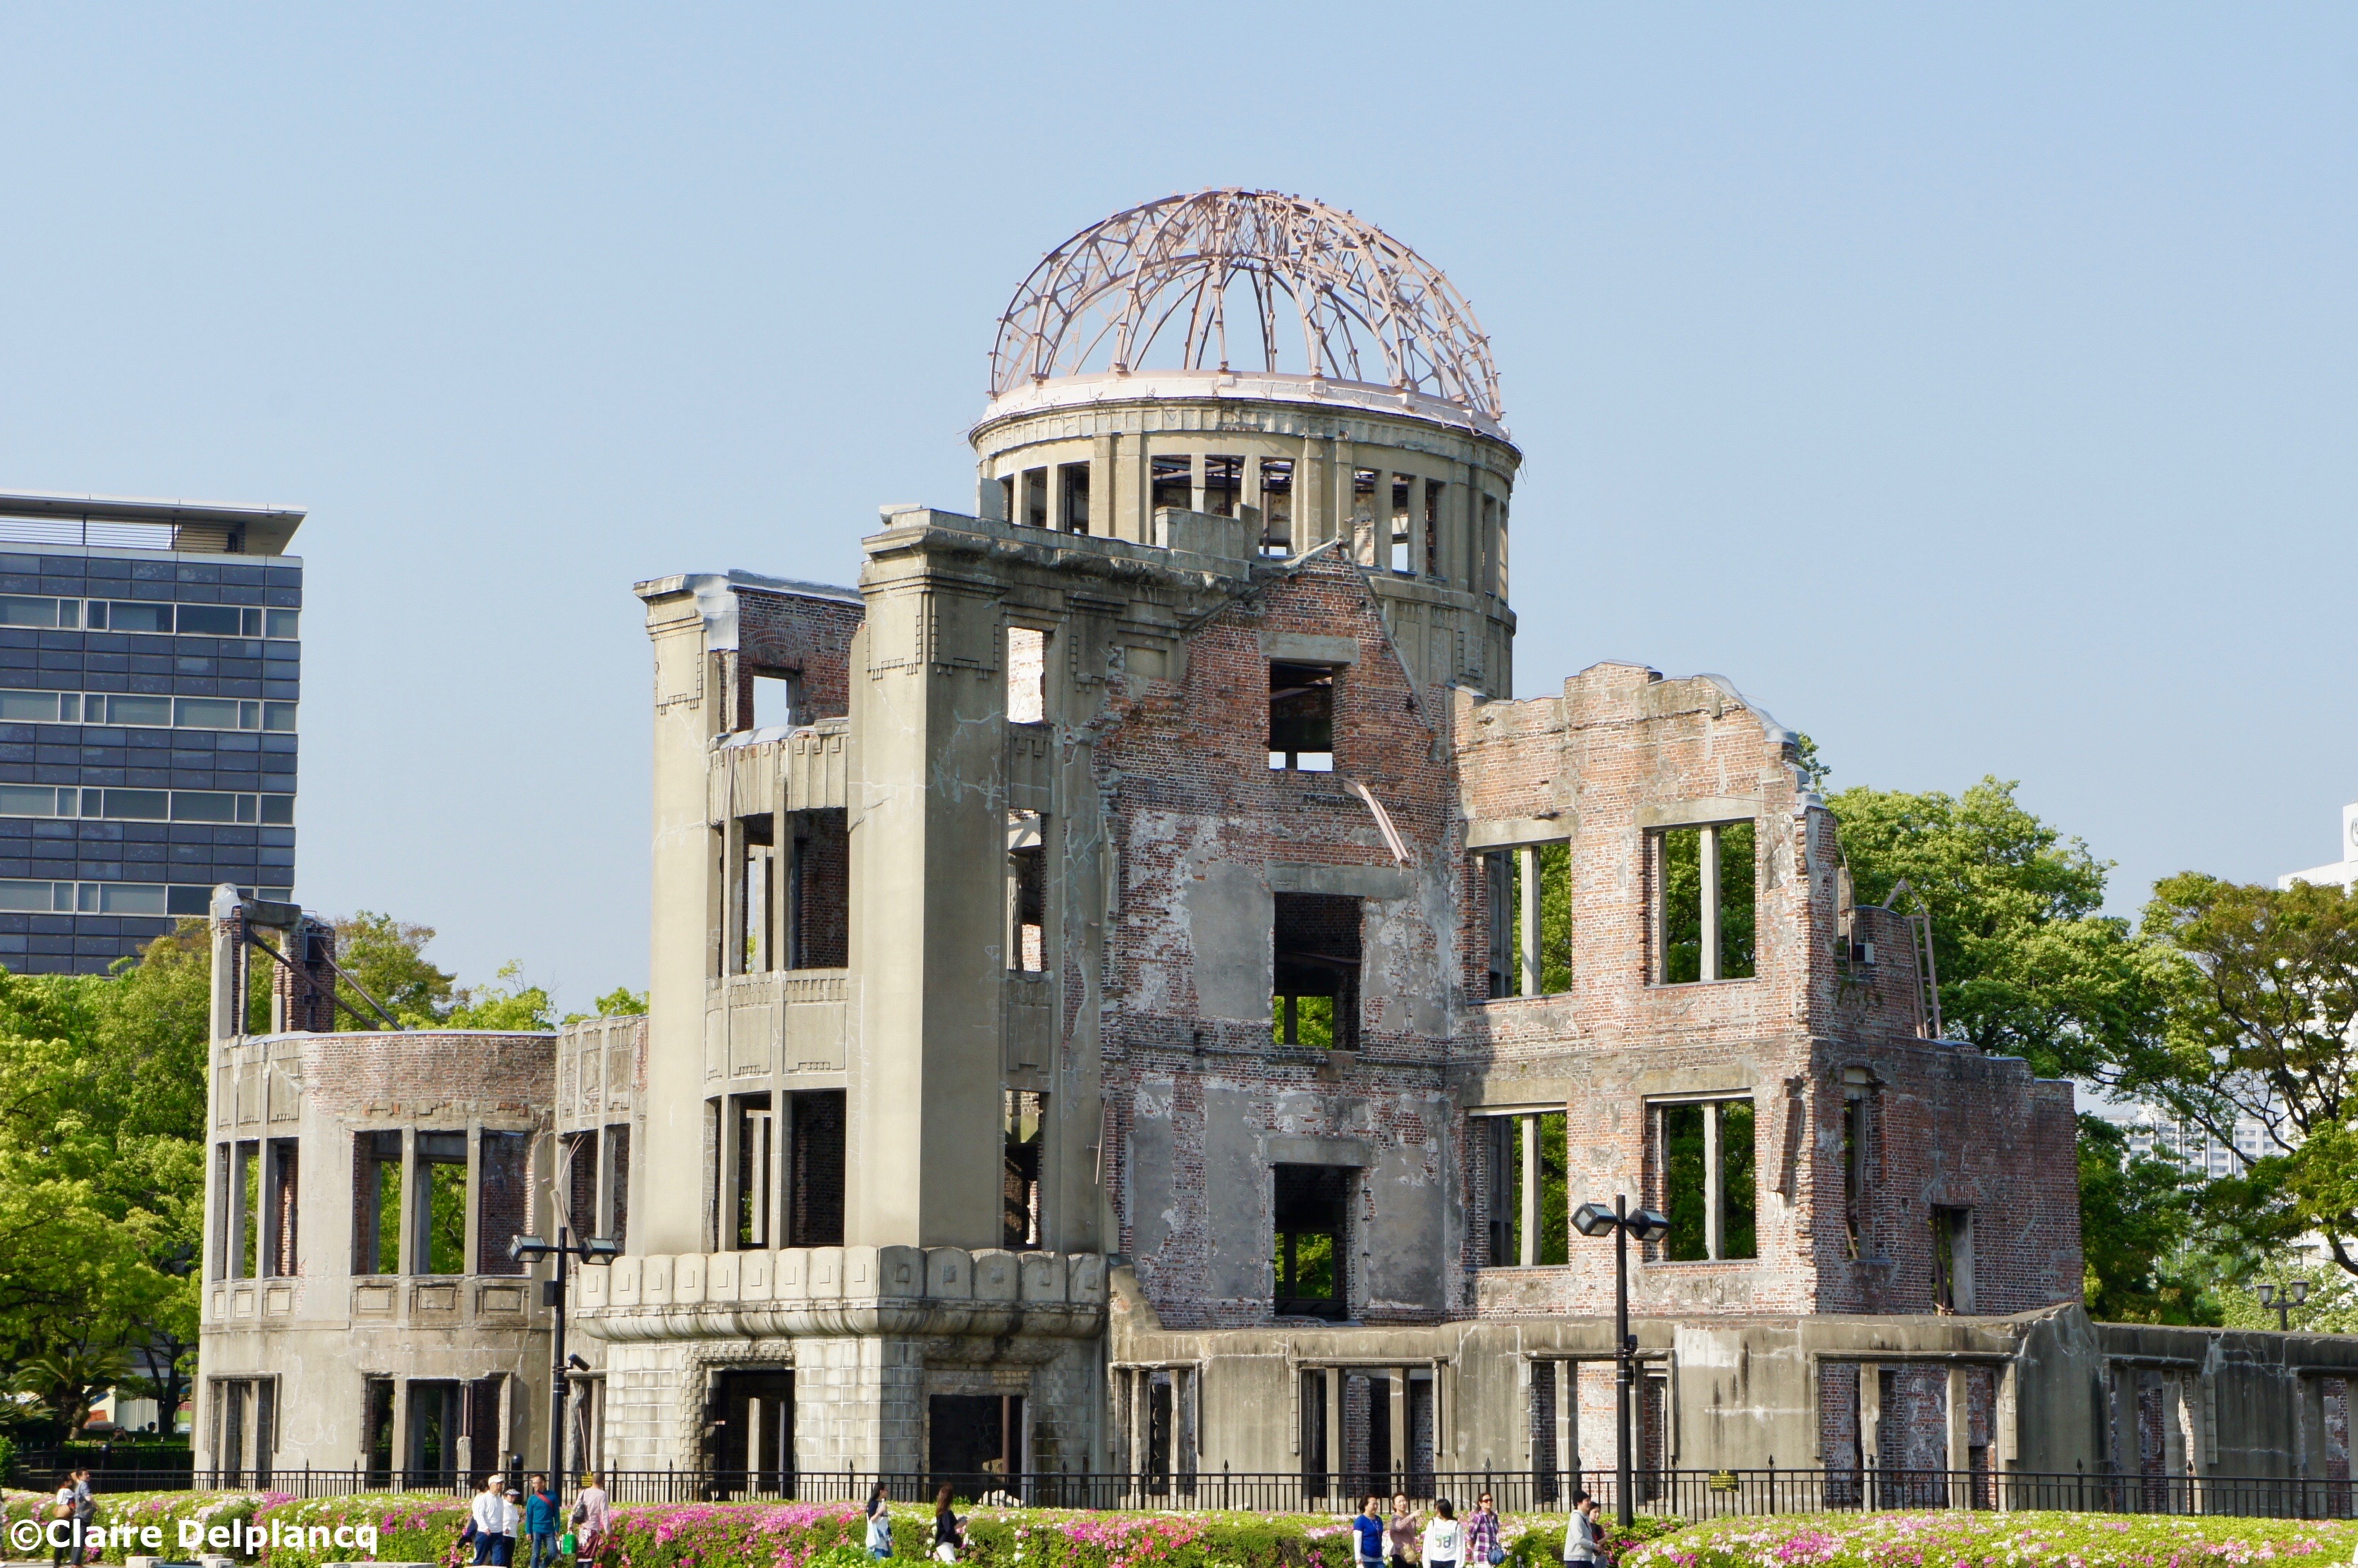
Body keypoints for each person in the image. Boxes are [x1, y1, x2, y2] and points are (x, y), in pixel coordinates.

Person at [571, 1474, 611, 1566]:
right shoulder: (602, 1494)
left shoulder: (583, 1492)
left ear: (592, 1480)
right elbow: (604, 1513)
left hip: (582, 1528)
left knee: (581, 1556)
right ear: (603, 1481)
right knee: (589, 1557)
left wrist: (570, 1525)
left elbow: (575, 1510)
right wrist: (608, 1530)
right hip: (593, 1530)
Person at [472, 1476, 510, 1566]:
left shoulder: (500, 1500)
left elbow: (501, 1516)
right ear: (491, 1485)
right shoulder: (483, 1498)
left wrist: (503, 1529)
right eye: (497, 1484)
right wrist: (485, 1528)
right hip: (484, 1533)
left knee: (499, 1560)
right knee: (480, 1559)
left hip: (498, 1533)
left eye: (501, 1484)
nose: (500, 1486)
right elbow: (479, 1514)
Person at [524, 1476, 559, 1568]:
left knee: (553, 1552)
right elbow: (529, 1516)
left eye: (536, 1483)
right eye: (533, 1483)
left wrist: (557, 1528)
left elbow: (557, 1514)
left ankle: (542, 1566)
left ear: (543, 1483)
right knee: (535, 1554)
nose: (534, 1485)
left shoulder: (553, 1496)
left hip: (549, 1529)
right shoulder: (532, 1499)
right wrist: (528, 1531)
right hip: (536, 1530)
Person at [1563, 1493, 1603, 1568]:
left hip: (1585, 1560)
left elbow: (1588, 1538)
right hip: (1576, 1560)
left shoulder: (1584, 1518)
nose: (1589, 1502)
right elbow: (1579, 1539)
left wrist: (1595, 1549)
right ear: (1579, 1503)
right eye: (1587, 1500)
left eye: (1590, 1500)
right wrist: (1595, 1546)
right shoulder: (1576, 1517)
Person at [1420, 1500, 1462, 1568]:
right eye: (1435, 1509)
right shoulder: (1433, 1523)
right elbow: (1427, 1544)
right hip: (1436, 1561)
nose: (1436, 1511)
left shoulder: (1455, 1525)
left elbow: (1459, 1545)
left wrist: (1458, 1565)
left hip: (1451, 1561)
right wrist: (1426, 1565)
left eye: (1438, 1509)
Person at [1465, 1493, 1501, 1568]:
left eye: (1490, 1500)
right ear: (1480, 1503)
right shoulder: (1478, 1517)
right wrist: (1472, 1547)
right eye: (1486, 1501)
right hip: (1481, 1554)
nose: (1489, 1502)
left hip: (1492, 1554)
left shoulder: (1494, 1517)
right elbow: (1471, 1535)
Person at [1387, 1493, 1421, 1568]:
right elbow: (1399, 1527)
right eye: (1399, 1502)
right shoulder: (1395, 1518)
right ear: (1394, 1505)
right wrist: (1412, 1516)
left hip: (1410, 1553)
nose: (1403, 1503)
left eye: (1404, 1501)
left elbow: (1412, 1534)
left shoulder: (1411, 1517)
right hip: (1399, 1553)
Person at [931, 1483, 962, 1564]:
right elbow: (949, 1529)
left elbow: (950, 1524)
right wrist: (960, 1525)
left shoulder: (944, 1511)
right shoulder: (946, 1513)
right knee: (951, 1564)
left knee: (951, 1564)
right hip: (944, 1544)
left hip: (947, 1544)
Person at [1353, 1496, 1387, 1568]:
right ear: (1365, 1505)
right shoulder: (1360, 1521)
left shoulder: (1378, 1519)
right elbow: (1357, 1540)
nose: (1375, 1506)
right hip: (1365, 1558)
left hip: (1379, 1557)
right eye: (1373, 1504)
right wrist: (1358, 1557)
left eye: (1377, 1504)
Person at [47, 1481, 74, 1568]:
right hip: (66, 1515)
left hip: (60, 1514)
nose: (71, 1482)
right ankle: (57, 1563)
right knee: (63, 1540)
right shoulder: (66, 1491)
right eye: (69, 1480)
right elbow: (77, 1496)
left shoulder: (59, 1491)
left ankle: (57, 1562)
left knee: (61, 1539)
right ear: (65, 1482)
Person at [865, 1484, 893, 1560]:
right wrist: (880, 1512)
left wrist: (890, 1537)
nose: (888, 1492)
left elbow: (885, 1522)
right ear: (881, 1491)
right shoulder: (874, 1504)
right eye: (886, 1490)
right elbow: (871, 1520)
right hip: (877, 1539)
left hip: (885, 1540)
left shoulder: (882, 1504)